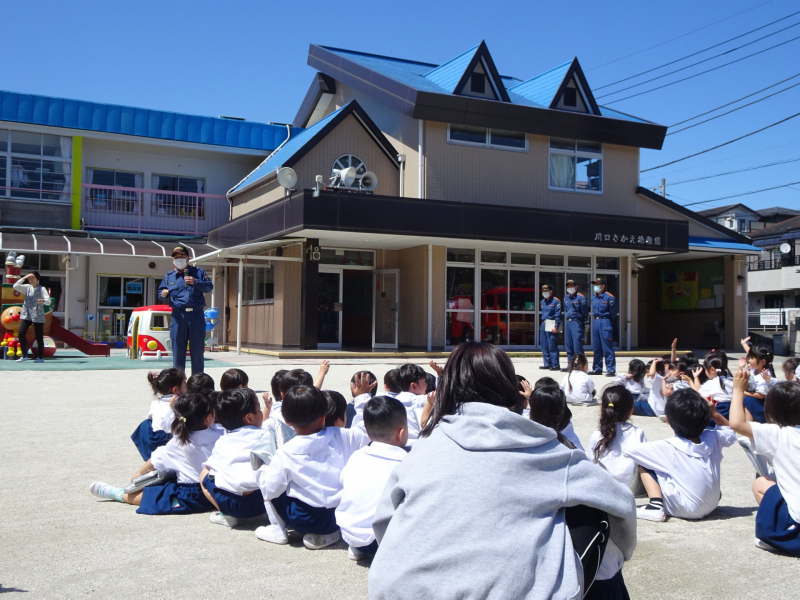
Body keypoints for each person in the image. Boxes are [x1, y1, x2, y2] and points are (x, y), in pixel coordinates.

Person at [368, 342, 636, 599]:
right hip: (508, 591)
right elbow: (620, 502)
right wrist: (621, 555)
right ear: (508, 387)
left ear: (448, 388)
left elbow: (383, 522)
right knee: (590, 512)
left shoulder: (424, 449)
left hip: (400, 590)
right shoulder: (546, 449)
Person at [255, 385, 368, 549]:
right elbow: (364, 428)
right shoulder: (341, 435)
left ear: (287, 421)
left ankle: (277, 530)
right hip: (340, 515)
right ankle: (329, 534)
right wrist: (362, 397)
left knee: (266, 476)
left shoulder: (285, 452)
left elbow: (272, 489)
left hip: (303, 519)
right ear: (323, 417)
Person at [90, 392, 222, 514]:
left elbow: (155, 460)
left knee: (157, 495)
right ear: (209, 418)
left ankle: (119, 494)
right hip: (218, 490)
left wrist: (137, 476)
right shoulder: (220, 435)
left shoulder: (177, 443)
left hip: (193, 495)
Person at [624, 388, 736, 522]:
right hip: (712, 504)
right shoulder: (713, 437)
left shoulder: (667, 446)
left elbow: (628, 450)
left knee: (644, 462)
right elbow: (730, 432)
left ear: (667, 420)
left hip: (685, 509)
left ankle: (655, 505)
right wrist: (715, 413)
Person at [727, 372, 800, 556]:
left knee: (761, 483)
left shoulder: (777, 433)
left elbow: (736, 424)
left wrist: (738, 390)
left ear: (771, 409)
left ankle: (774, 530)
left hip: (796, 525)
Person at [586, 385, 643, 600]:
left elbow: (591, 465)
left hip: (600, 497)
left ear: (602, 408)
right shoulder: (638, 433)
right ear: (631, 410)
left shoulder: (596, 435)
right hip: (626, 495)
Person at [336, 396, 409, 560]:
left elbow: (344, 483)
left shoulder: (357, 456)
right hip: (382, 541)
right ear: (401, 433)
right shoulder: (405, 463)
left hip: (350, 533)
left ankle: (357, 548)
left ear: (367, 432)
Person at [200, 388, 267, 527]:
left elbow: (215, 469)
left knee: (204, 472)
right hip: (261, 501)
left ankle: (226, 515)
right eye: (259, 409)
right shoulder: (266, 435)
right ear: (249, 418)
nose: (262, 412)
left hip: (228, 502)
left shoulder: (222, 440)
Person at [158, 245, 213, 375]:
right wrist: (163, 294)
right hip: (178, 316)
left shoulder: (198, 272)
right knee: (178, 350)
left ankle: (197, 382)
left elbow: (209, 287)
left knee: (197, 350)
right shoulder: (169, 276)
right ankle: (179, 382)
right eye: (176, 258)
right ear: (173, 260)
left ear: (188, 258)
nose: (179, 260)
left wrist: (195, 282)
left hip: (196, 315)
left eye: (182, 257)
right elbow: (160, 293)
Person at [130, 369, 186, 461]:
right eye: (185, 382)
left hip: (153, 439)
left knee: (146, 423)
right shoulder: (183, 402)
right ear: (176, 389)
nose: (186, 385)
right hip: (169, 441)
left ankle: (151, 458)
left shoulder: (155, 403)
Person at [12, 271, 49, 363]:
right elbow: (15, 286)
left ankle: (40, 357)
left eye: (33, 278)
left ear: (37, 278)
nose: (31, 280)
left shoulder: (42, 288)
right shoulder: (26, 287)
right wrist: (24, 277)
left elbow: (48, 301)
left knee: (39, 336)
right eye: (29, 278)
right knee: (21, 333)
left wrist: (43, 300)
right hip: (27, 314)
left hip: (37, 314)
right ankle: (24, 355)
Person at [590, 278, 618, 377]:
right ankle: (597, 368)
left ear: (603, 286)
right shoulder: (594, 298)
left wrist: (607, 321)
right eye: (595, 284)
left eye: (598, 284)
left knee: (607, 347)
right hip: (596, 321)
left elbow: (613, 312)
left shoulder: (609, 297)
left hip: (605, 321)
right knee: (596, 347)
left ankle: (611, 369)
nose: (596, 286)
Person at [562, 280, 588, 370]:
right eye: (568, 286)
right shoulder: (566, 298)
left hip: (576, 323)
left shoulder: (581, 298)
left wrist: (580, 320)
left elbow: (585, 312)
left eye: (571, 286)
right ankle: (571, 365)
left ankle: (580, 366)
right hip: (568, 323)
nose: (569, 288)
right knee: (568, 345)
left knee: (577, 346)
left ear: (576, 287)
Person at [539, 284, 562, 371]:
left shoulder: (556, 301)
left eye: (546, 291)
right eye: (543, 291)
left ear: (551, 291)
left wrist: (556, 326)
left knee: (552, 344)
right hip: (544, 323)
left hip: (552, 322)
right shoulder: (543, 302)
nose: (544, 293)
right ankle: (547, 363)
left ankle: (555, 364)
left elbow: (558, 315)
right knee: (544, 344)